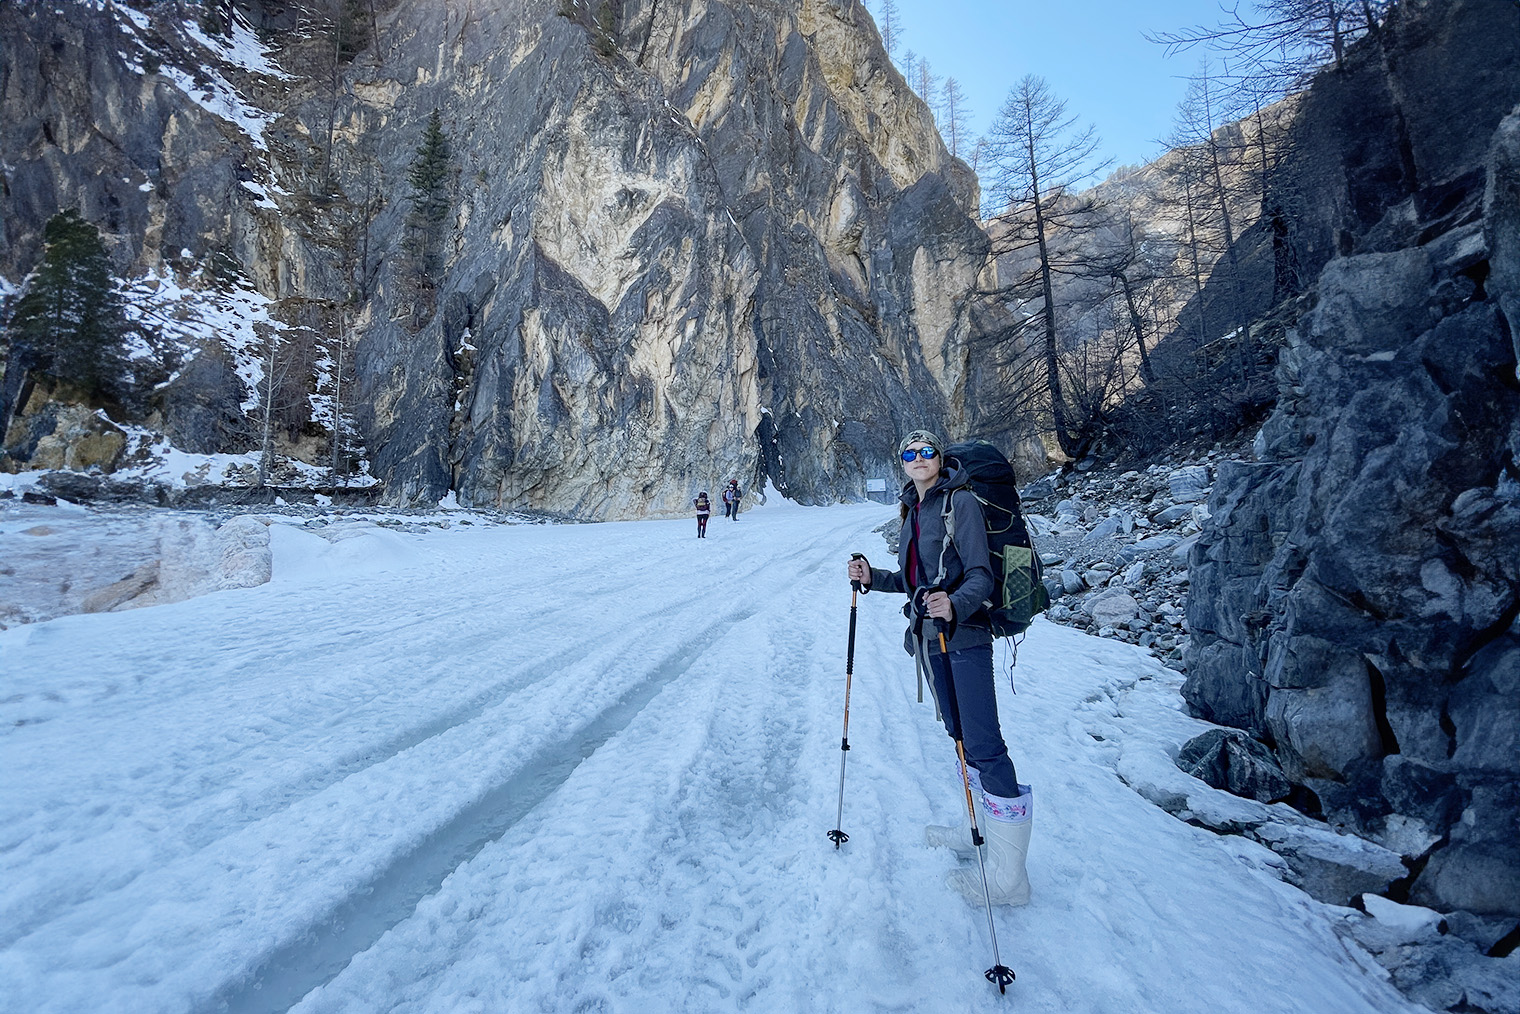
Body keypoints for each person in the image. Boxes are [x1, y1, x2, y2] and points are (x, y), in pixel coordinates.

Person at [846, 429, 1033, 906]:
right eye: (909, 453)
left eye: (927, 451)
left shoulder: (960, 503)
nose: (919, 458)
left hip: (964, 638)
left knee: (986, 746)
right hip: (930, 641)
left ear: (940, 456)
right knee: (960, 737)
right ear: (902, 463)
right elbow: (917, 582)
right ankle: (983, 831)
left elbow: (979, 577)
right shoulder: (913, 508)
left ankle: (1010, 880)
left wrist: (954, 605)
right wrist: (875, 579)